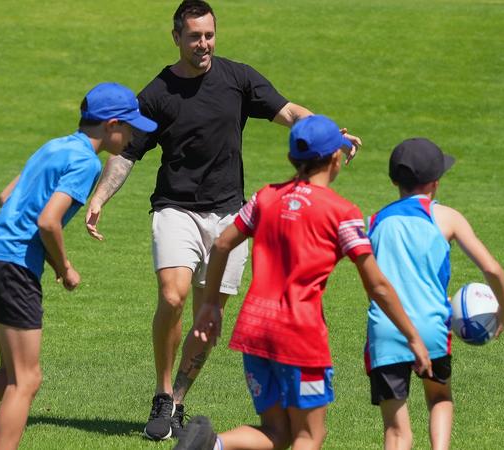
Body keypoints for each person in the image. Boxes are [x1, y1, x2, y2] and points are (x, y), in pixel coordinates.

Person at [84, 1, 361, 440]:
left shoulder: (238, 79)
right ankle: (160, 392)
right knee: (172, 297)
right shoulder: (158, 92)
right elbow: (128, 152)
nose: (203, 44)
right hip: (175, 209)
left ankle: (177, 399)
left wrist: (330, 132)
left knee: (207, 319)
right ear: (176, 37)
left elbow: (288, 112)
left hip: (229, 215)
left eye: (209, 35)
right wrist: (99, 197)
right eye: (194, 36)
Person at [0, 83, 157, 450]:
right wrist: (65, 267)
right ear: (112, 125)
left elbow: (6, 196)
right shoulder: (87, 162)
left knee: (12, 372)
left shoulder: (54, 145)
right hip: (11, 266)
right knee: (27, 380)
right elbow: (48, 221)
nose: (134, 135)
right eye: (132, 127)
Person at [173, 115, 431, 450]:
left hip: (254, 329)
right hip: (299, 335)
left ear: (292, 159)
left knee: (277, 433)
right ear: (336, 159)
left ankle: (213, 445)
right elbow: (377, 286)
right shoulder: (342, 212)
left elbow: (222, 244)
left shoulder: (266, 197)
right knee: (309, 435)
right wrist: (413, 337)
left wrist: (209, 305)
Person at [364, 138, 504, 450]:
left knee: (396, 432)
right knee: (440, 397)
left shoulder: (374, 222)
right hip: (431, 328)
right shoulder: (446, 217)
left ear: (394, 180)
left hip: (386, 332)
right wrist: (503, 310)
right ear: (435, 182)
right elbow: (493, 270)